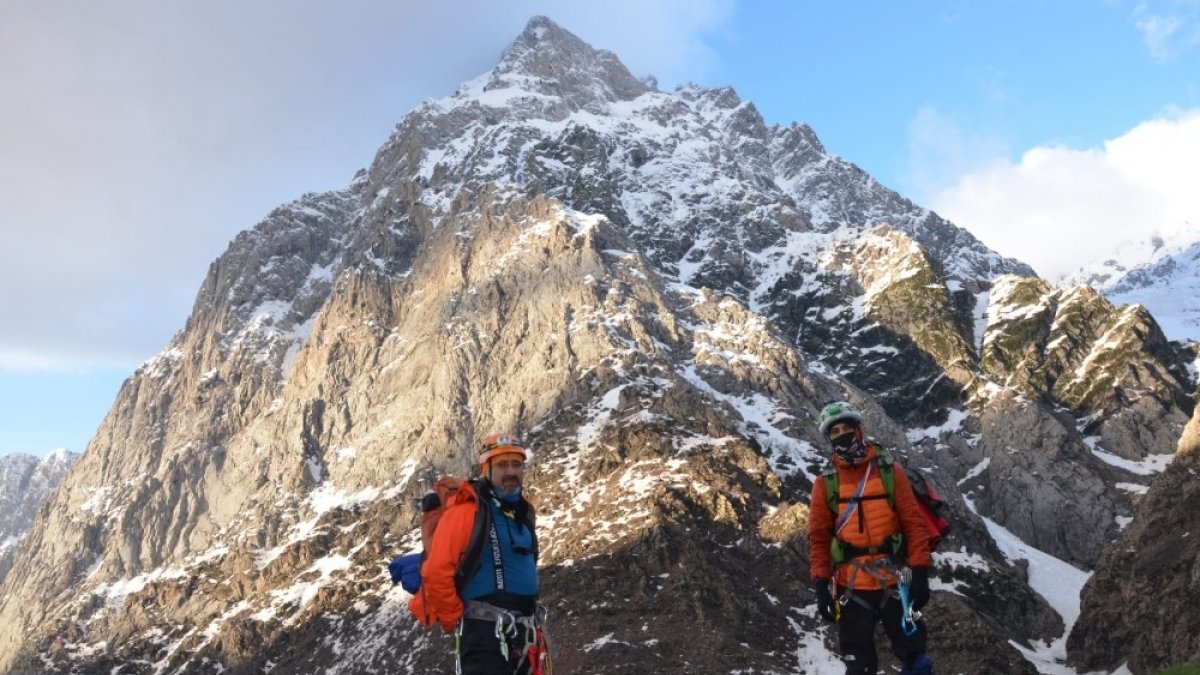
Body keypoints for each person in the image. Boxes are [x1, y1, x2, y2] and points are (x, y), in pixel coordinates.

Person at [808, 402, 934, 675]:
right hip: (851, 586)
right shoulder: (825, 484)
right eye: (834, 431)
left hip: (897, 579)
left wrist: (920, 572)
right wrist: (820, 584)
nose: (842, 435)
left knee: (915, 657)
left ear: (859, 429)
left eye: (846, 428)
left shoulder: (890, 471)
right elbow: (818, 538)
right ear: (828, 438)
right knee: (858, 666)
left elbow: (914, 524)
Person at [414, 433, 546, 675]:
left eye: (516, 464)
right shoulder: (466, 512)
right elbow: (436, 571)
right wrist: (453, 618)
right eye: (502, 465)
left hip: (526, 633)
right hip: (484, 635)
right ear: (485, 469)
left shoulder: (524, 512)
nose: (511, 471)